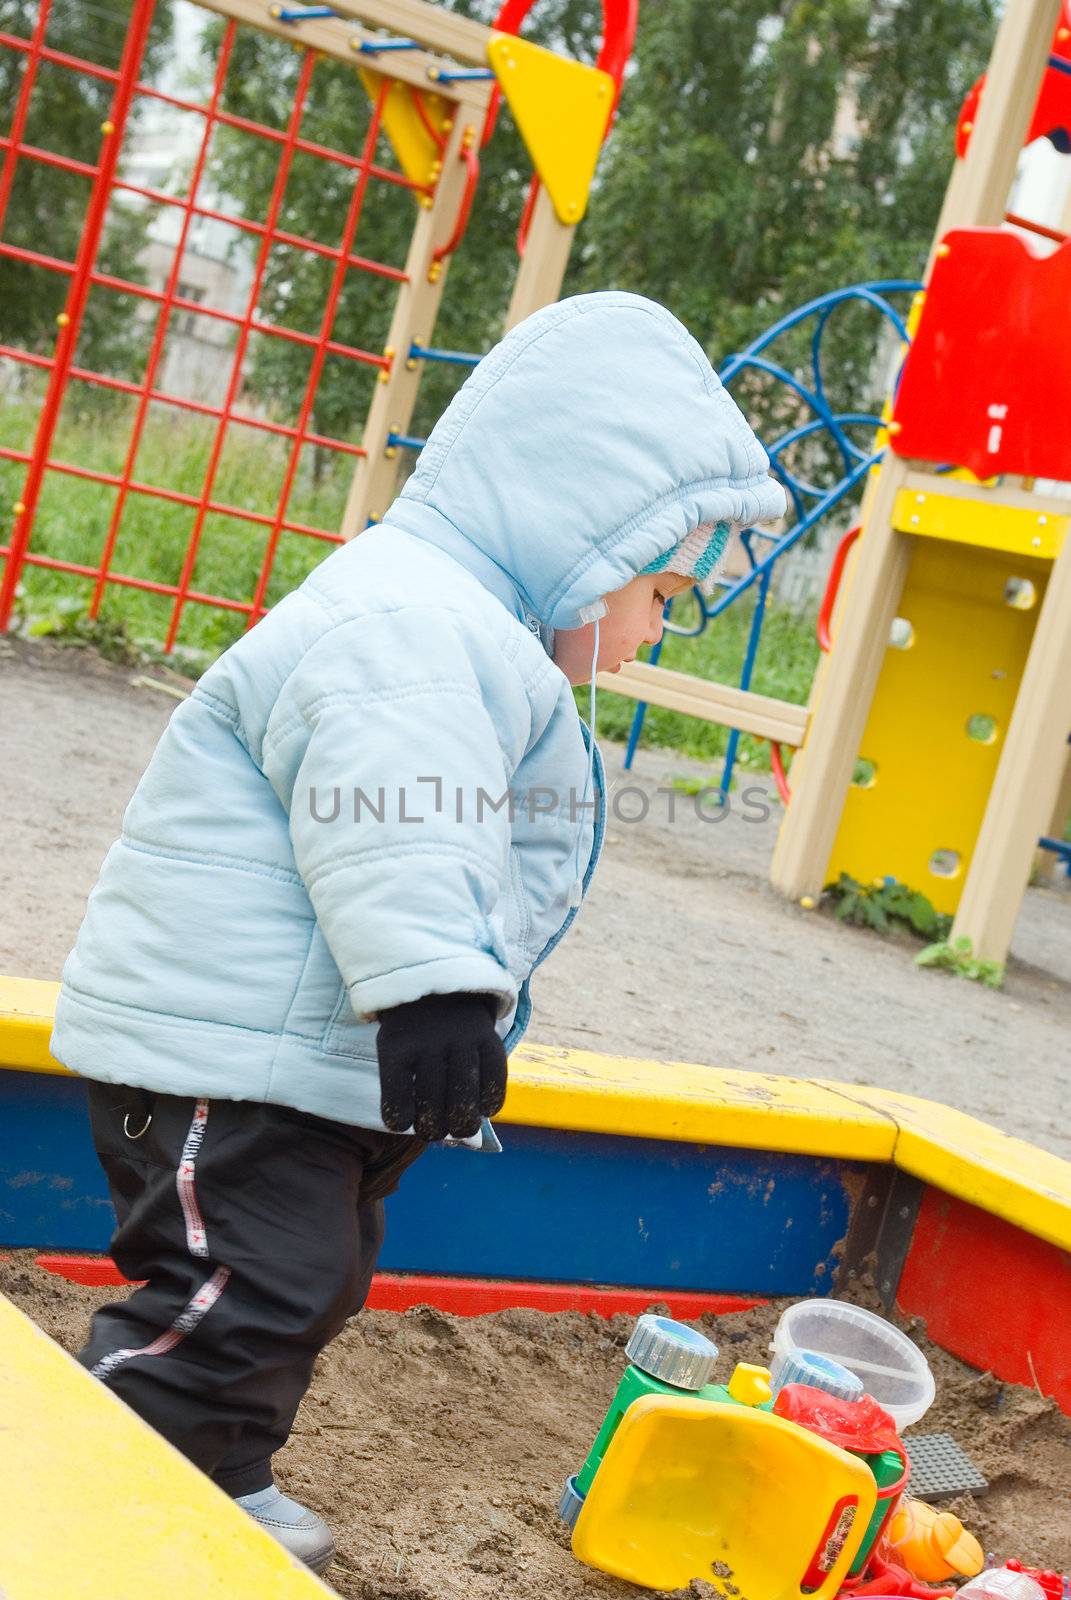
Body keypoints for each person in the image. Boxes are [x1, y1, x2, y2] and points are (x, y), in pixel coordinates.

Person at [50, 291, 785, 1573]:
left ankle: (213, 1464)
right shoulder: (416, 622)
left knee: (311, 1271)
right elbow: (392, 815)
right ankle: (87, 1460)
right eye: (661, 591)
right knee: (255, 1281)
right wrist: (437, 993)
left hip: (288, 1056)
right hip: (227, 1056)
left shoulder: (467, 626)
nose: (657, 626)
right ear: (584, 538)